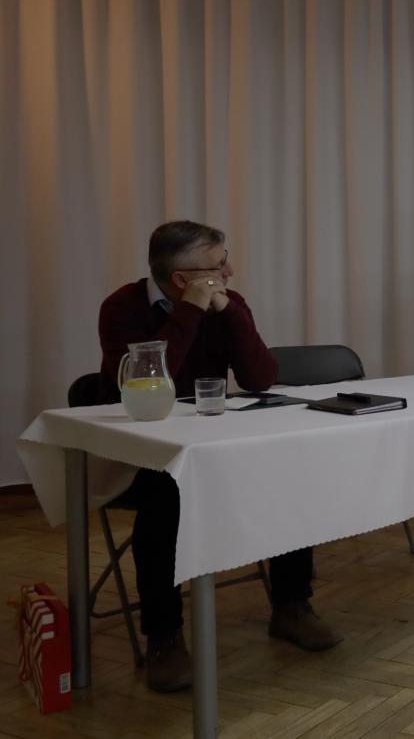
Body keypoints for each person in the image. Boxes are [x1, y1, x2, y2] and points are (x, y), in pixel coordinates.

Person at [98, 221, 342, 693]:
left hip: (214, 438)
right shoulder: (122, 308)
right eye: (218, 265)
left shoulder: (228, 302)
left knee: (290, 475)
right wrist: (189, 312)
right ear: (181, 279)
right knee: (165, 498)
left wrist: (231, 314)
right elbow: (142, 384)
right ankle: (164, 636)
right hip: (141, 444)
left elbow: (260, 378)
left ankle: (291, 606)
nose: (229, 272)